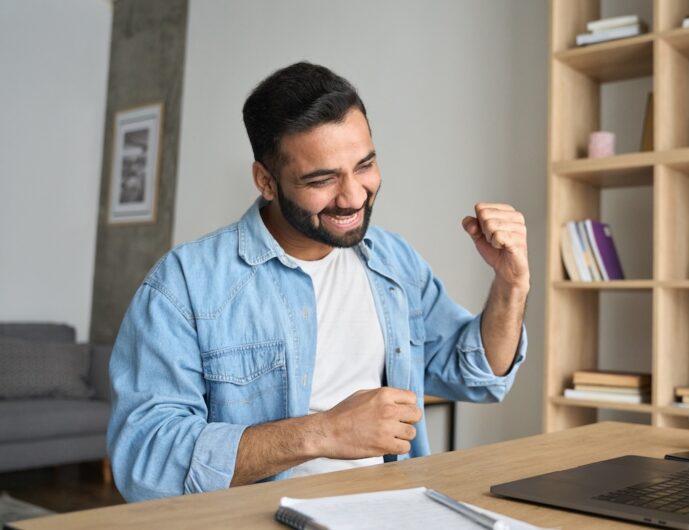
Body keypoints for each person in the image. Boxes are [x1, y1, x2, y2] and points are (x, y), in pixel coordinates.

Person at [107, 61, 529, 502]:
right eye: (322, 179)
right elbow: (146, 460)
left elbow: (475, 375)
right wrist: (323, 433)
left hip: (392, 507)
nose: (353, 196)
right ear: (266, 181)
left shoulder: (393, 259)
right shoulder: (184, 285)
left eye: (364, 165)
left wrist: (510, 285)